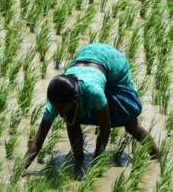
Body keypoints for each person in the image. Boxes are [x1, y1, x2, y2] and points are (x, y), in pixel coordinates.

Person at [23, 43, 158, 178]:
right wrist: (21, 168)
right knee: (70, 118)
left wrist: (95, 164)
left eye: (61, 108)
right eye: (56, 107)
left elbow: (105, 130)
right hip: (85, 55)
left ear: (74, 100)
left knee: (131, 124)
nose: (58, 111)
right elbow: (37, 142)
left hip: (113, 62)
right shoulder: (56, 101)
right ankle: (78, 159)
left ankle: (157, 156)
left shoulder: (94, 92)